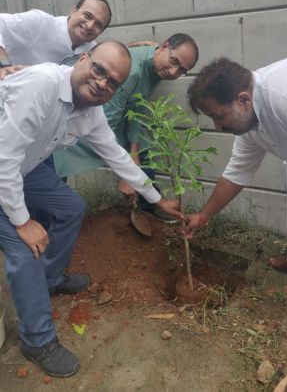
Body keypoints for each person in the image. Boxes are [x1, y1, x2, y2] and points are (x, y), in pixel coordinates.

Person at [0, 41, 183, 377]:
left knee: (71, 206)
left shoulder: (89, 111)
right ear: (83, 59)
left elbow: (116, 157)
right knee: (25, 251)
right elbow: (4, 159)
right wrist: (23, 221)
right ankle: (37, 340)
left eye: (113, 82)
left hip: (24, 167)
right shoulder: (42, 84)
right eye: (99, 69)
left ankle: (51, 278)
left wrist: (156, 199)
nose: (102, 83)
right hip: (3, 166)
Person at [184, 52, 287, 356]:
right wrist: (204, 216)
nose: (218, 126)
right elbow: (237, 172)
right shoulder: (250, 119)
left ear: (243, 100)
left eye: (218, 117)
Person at [53, 33, 199, 212]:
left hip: (108, 114)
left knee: (142, 150)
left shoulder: (154, 67)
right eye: (174, 61)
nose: (173, 72)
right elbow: (109, 120)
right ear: (164, 46)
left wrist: (134, 151)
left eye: (181, 70)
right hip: (79, 113)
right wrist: (125, 173)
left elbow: (136, 110)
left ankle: (148, 207)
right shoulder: (134, 70)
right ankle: (50, 207)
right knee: (59, 160)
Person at [0, 0, 112, 67]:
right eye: (87, 16)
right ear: (73, 11)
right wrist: (5, 66)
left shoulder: (92, 51)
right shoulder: (40, 22)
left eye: (98, 24)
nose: (90, 25)